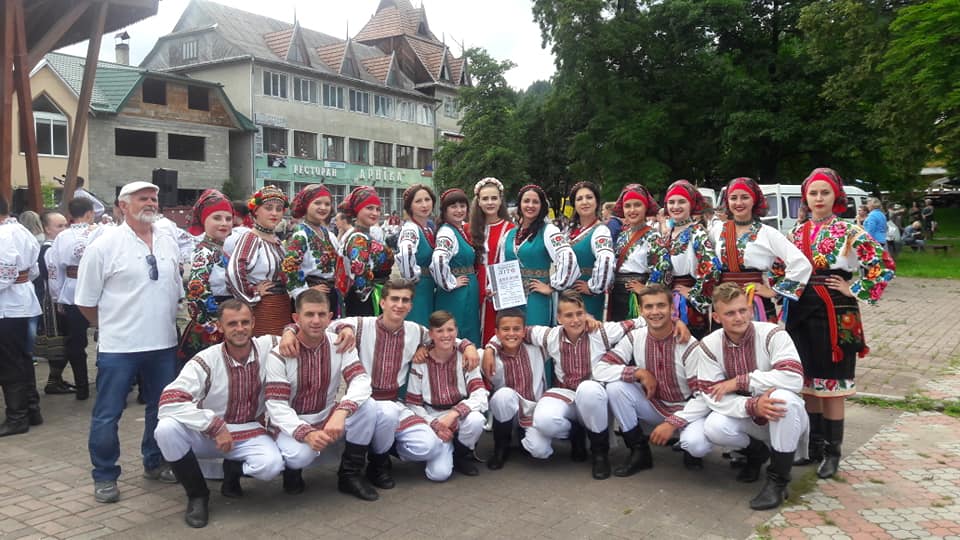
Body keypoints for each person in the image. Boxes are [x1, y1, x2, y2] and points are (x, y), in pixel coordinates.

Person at [278, 279, 480, 489]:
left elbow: (442, 337)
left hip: (394, 401)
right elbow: (321, 324)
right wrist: (289, 332)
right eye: (394, 299)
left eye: (405, 300)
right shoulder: (361, 325)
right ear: (383, 302)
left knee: (427, 446)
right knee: (384, 412)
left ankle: (383, 449)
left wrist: (467, 346)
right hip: (362, 403)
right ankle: (376, 465)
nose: (399, 305)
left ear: (410, 306)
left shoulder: (415, 331)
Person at [74, 181, 182, 503]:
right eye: (142, 198)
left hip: (163, 343)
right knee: (108, 414)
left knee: (161, 409)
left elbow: (175, 289)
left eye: (153, 198)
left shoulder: (168, 240)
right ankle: (105, 475)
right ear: (123, 205)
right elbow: (85, 301)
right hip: (119, 347)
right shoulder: (104, 245)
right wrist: (110, 327)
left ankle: (155, 461)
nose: (150, 203)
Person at [785, 168, 894, 479]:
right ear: (805, 198)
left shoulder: (850, 231)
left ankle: (833, 454)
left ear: (836, 197)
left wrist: (854, 288)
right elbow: (782, 268)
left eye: (825, 193)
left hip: (836, 311)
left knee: (832, 383)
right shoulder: (796, 233)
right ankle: (814, 448)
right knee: (808, 382)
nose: (819, 198)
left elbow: (882, 265)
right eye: (813, 193)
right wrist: (779, 292)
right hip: (801, 311)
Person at [155, 300, 285, 528]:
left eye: (245, 322)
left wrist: (291, 332)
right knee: (166, 429)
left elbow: (307, 331)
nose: (240, 328)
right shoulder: (206, 360)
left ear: (254, 323)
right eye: (232, 324)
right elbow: (169, 400)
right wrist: (214, 425)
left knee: (271, 466)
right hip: (209, 434)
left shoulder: (268, 346)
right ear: (220, 326)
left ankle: (232, 470)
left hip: (250, 430)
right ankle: (197, 495)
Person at [697, 282, 809, 510]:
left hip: (786, 419)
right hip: (750, 415)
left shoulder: (773, 333)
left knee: (783, 400)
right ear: (717, 317)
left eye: (742, 310)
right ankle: (757, 454)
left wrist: (742, 381)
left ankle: (778, 481)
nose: (739, 317)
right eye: (730, 313)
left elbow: (793, 377)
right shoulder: (709, 344)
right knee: (714, 427)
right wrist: (753, 405)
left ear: (750, 310)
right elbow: (711, 392)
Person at [264, 289, 379, 500]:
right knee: (299, 455)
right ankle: (292, 472)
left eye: (321, 314)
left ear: (330, 317)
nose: (316, 320)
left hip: (327, 415)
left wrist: (342, 411)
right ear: (296, 318)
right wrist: (306, 433)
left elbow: (361, 380)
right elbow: (276, 405)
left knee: (369, 407)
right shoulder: (280, 353)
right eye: (309, 314)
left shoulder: (339, 343)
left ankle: (350, 475)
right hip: (292, 422)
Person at [595, 284, 712, 476]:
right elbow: (600, 368)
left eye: (661, 306)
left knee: (696, 444)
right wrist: (638, 372)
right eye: (649, 307)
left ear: (672, 309)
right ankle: (639, 451)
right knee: (616, 387)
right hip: (654, 405)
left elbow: (703, 396)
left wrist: (673, 422)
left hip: (687, 409)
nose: (655, 312)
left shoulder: (688, 344)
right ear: (641, 311)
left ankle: (689, 450)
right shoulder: (635, 337)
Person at [522, 291, 640, 480]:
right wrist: (490, 348)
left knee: (588, 388)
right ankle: (576, 434)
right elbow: (518, 331)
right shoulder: (551, 335)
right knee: (544, 421)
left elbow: (639, 322)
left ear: (586, 313)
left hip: (593, 397)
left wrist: (677, 323)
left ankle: (599, 453)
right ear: (559, 319)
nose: (576, 320)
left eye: (579, 313)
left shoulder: (600, 332)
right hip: (565, 393)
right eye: (569, 315)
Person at [396, 310, 489, 481]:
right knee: (438, 474)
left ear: (456, 331)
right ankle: (444, 448)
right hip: (432, 414)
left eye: (450, 330)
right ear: (431, 334)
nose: (446, 335)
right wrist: (436, 425)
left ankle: (461, 455)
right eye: (439, 331)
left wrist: (454, 413)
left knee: (476, 420)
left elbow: (480, 394)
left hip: (459, 412)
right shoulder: (421, 361)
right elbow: (414, 403)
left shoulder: (466, 356)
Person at [709, 177, 811, 322]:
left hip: (754, 302)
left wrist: (773, 291)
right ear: (727, 201)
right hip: (725, 303)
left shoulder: (768, 233)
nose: (739, 203)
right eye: (733, 198)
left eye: (745, 197)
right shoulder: (717, 230)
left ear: (754, 200)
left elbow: (801, 263)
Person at [481, 308, 549, 470]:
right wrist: (490, 348)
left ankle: (523, 433)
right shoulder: (487, 356)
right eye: (506, 329)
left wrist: (588, 320)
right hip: (506, 411)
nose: (511, 334)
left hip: (532, 411)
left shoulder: (538, 349)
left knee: (540, 450)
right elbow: (460, 347)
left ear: (524, 331)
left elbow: (559, 334)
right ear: (496, 333)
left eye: (517, 329)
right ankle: (501, 446)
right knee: (503, 395)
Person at [46, 197, 100, 398]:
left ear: (70, 215)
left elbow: (54, 270)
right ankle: (107, 383)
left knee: (76, 342)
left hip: (72, 292)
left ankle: (82, 388)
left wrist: (57, 297)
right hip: (100, 291)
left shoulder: (62, 237)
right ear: (89, 214)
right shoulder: (103, 232)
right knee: (109, 337)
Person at [503, 185, 578, 326]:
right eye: (526, 201)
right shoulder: (509, 234)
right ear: (519, 204)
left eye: (535, 202)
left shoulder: (549, 231)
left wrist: (553, 286)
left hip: (536, 297)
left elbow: (568, 258)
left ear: (542, 206)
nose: (530, 205)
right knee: (512, 335)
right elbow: (502, 265)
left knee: (535, 334)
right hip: (511, 298)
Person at [0, 196, 43, 437]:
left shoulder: (4, 234)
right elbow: (33, 269)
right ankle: (31, 409)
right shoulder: (21, 230)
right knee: (22, 357)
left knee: (9, 361)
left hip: (8, 306)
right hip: (21, 300)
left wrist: (16, 280)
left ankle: (17, 417)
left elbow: (4, 275)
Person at [226, 185, 291, 336]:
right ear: (256, 211)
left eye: (279, 209)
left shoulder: (276, 241)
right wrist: (252, 293)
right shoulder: (251, 238)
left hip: (282, 305)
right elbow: (234, 271)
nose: (274, 213)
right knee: (265, 346)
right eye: (268, 208)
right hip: (263, 307)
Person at [659, 180, 720, 339]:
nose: (676, 206)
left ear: (691, 205)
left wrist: (694, 293)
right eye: (671, 202)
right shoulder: (667, 234)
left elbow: (712, 268)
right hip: (668, 299)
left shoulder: (697, 232)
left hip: (688, 305)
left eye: (681, 202)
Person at [180, 189, 234, 365]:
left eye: (228, 218)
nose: (224, 223)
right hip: (212, 325)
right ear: (204, 220)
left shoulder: (220, 250)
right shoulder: (204, 252)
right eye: (217, 218)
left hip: (225, 320)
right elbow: (196, 291)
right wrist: (212, 324)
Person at [609, 184, 670, 322]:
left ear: (645, 207)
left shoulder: (653, 236)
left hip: (636, 298)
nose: (632, 210)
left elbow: (663, 267)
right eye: (627, 206)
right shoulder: (622, 235)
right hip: (617, 295)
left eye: (637, 205)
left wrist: (646, 290)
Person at [431, 188, 481, 345]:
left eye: (462, 206)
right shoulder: (447, 232)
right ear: (445, 210)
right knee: (458, 328)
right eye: (453, 206)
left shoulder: (460, 230)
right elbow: (438, 260)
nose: (459, 210)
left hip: (467, 289)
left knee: (467, 326)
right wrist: (450, 283)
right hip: (456, 293)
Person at [282, 184, 341, 317]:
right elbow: (289, 267)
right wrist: (305, 291)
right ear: (306, 205)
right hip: (310, 299)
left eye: (327, 204)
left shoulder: (327, 233)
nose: (323, 207)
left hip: (328, 293)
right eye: (317, 203)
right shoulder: (300, 234)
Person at [335, 186, 394, 316]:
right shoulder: (358, 238)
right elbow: (360, 277)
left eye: (378, 209)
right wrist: (374, 296)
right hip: (367, 301)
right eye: (369, 208)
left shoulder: (364, 235)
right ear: (357, 209)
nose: (375, 213)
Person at [469, 177, 514, 343]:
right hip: (474, 285)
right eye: (485, 198)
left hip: (498, 287)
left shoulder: (510, 229)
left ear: (501, 201)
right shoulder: (468, 228)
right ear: (478, 201)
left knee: (493, 330)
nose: (490, 202)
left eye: (494, 198)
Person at [565, 182, 614, 321]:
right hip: (567, 295)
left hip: (587, 296)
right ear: (574, 204)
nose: (584, 202)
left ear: (597, 202)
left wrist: (593, 287)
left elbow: (606, 260)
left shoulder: (600, 231)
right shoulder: (569, 231)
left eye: (589, 197)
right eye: (579, 199)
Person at [396, 184, 437, 326]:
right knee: (418, 325)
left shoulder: (427, 229)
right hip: (418, 288)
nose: (424, 205)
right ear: (410, 206)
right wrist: (413, 277)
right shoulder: (411, 229)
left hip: (428, 286)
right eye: (418, 201)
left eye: (427, 199)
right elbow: (405, 253)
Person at [34, 211, 67, 378]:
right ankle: (54, 380)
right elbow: (51, 278)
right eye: (59, 226)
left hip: (57, 295)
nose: (64, 229)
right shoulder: (48, 249)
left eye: (65, 225)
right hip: (52, 298)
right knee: (57, 340)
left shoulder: (57, 247)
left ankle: (56, 380)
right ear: (47, 229)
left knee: (64, 339)